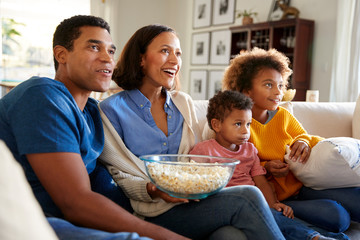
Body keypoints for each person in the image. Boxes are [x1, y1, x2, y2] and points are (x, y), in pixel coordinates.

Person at [0, 15, 193, 240]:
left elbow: (115, 175)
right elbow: (76, 202)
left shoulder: (93, 112)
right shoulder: (43, 95)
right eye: (94, 47)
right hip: (32, 222)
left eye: (111, 51)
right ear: (61, 55)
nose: (107, 59)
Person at [98, 24, 285, 240]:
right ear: (141, 59)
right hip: (150, 213)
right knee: (247, 196)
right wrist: (152, 189)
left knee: (230, 236)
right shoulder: (110, 110)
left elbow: (204, 153)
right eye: (165, 51)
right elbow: (118, 173)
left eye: (178, 53)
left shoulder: (182, 102)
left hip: (194, 203)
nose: (175, 61)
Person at [221, 47, 360, 234]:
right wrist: (266, 167)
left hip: (303, 187)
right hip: (276, 197)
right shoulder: (239, 125)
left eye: (281, 85)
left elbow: (307, 137)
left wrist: (302, 141)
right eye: (269, 85)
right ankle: (281, 217)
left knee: (356, 199)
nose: (278, 92)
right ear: (247, 91)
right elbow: (239, 168)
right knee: (338, 218)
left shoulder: (283, 116)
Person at [190, 90, 349, 240]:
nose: (246, 131)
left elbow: (260, 181)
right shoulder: (204, 150)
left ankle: (330, 237)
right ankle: (312, 237)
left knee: (277, 216)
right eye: (238, 124)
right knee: (267, 215)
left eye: (248, 124)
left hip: (255, 203)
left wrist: (273, 203)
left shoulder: (250, 150)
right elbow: (192, 182)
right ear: (216, 125)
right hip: (228, 205)